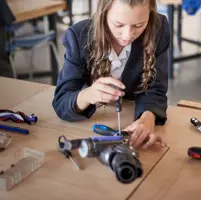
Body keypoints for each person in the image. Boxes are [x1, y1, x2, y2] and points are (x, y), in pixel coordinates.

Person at [52, 0, 170, 149]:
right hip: (92, 123)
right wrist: (88, 94)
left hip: (131, 113)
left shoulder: (159, 28)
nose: (127, 36)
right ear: (103, 13)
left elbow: (155, 88)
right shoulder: (78, 36)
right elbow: (62, 103)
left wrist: (147, 118)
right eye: (118, 25)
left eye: (139, 25)